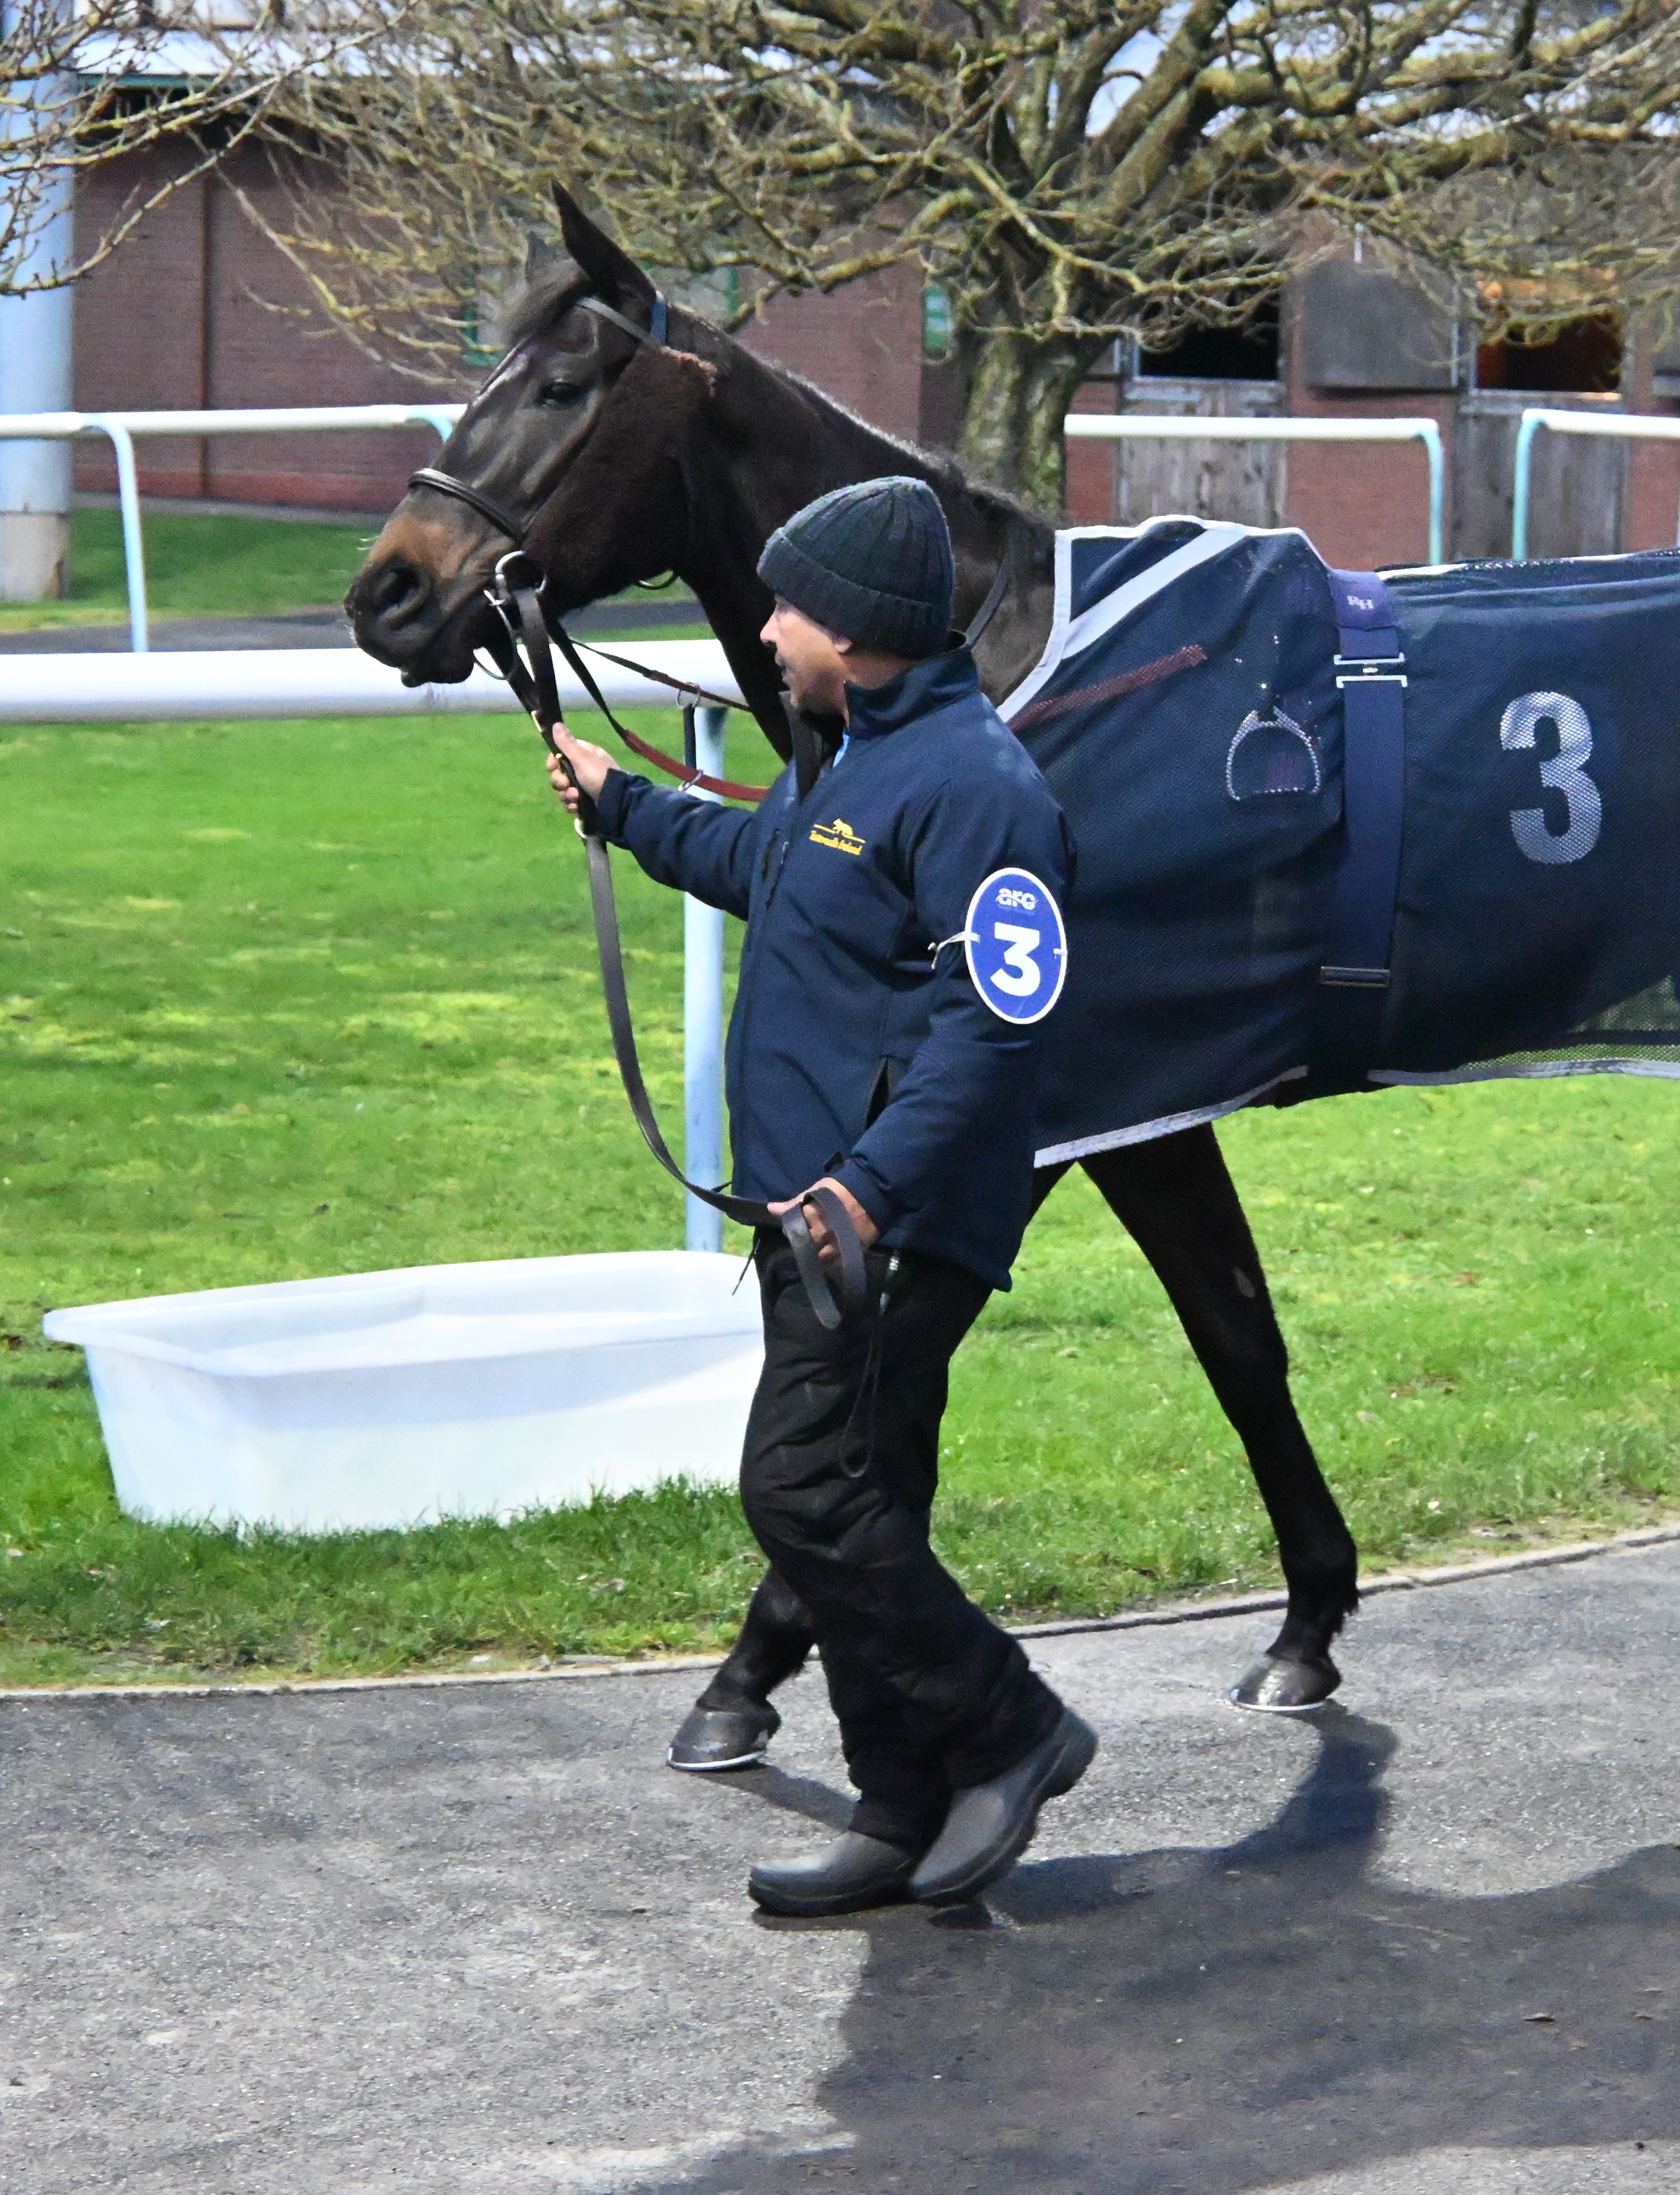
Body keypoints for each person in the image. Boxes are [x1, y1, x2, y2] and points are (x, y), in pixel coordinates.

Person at [543, 477, 1096, 1918]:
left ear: (853, 635)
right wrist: (628, 808)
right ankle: (897, 1805)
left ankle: (1011, 1723)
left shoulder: (978, 788)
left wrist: (865, 1184)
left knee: (797, 1490)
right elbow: (774, 871)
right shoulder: (849, 758)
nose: (768, 627)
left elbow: (1001, 1016)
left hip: (890, 1227)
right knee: (870, 1495)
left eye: (788, 605)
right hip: (823, 1215)